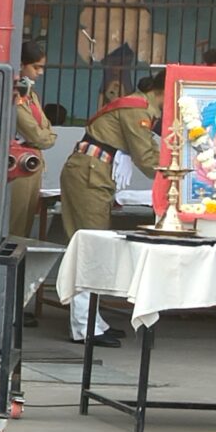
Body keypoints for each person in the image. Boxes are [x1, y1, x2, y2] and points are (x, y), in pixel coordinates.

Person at [57, 68, 162, 346]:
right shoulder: (136, 109)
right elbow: (145, 156)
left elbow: (148, 149)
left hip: (94, 174)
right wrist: (178, 173)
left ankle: (93, 319)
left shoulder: (137, 106)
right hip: (90, 175)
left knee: (95, 246)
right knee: (89, 247)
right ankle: (84, 326)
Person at [6, 39, 56, 240]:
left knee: (27, 222)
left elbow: (46, 127)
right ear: (21, 65)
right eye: (36, 67)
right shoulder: (14, 94)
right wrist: (45, 137)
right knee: (15, 224)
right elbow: (36, 133)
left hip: (34, 160)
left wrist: (45, 136)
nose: (40, 72)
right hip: (18, 162)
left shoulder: (31, 96)